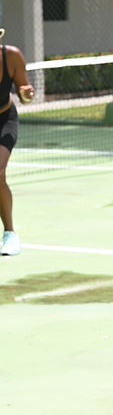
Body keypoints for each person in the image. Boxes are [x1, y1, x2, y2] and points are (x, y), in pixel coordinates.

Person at [0, 29, 36, 256]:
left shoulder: (11, 56)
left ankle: (10, 233)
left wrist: (26, 93)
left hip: (5, 120)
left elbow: (25, 91)